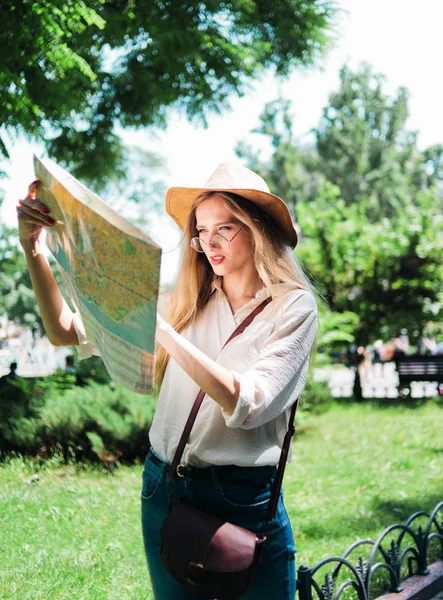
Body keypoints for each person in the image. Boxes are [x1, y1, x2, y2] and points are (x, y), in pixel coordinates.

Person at [17, 163, 319, 600]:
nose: (209, 242)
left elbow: (250, 402)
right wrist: (33, 248)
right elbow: (63, 329)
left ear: (258, 228)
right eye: (201, 230)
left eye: (225, 228)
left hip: (244, 497)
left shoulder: (292, 307)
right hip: (166, 487)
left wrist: (161, 330)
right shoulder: (184, 300)